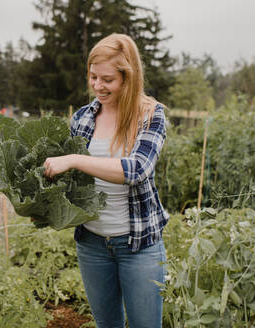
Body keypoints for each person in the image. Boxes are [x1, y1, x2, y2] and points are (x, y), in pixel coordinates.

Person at [43, 33, 169, 328]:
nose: (98, 86)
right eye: (93, 77)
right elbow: (73, 182)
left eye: (108, 79)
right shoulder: (83, 118)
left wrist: (74, 159)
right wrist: (44, 205)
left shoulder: (151, 115)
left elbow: (137, 169)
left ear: (129, 77)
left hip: (138, 244)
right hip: (92, 244)